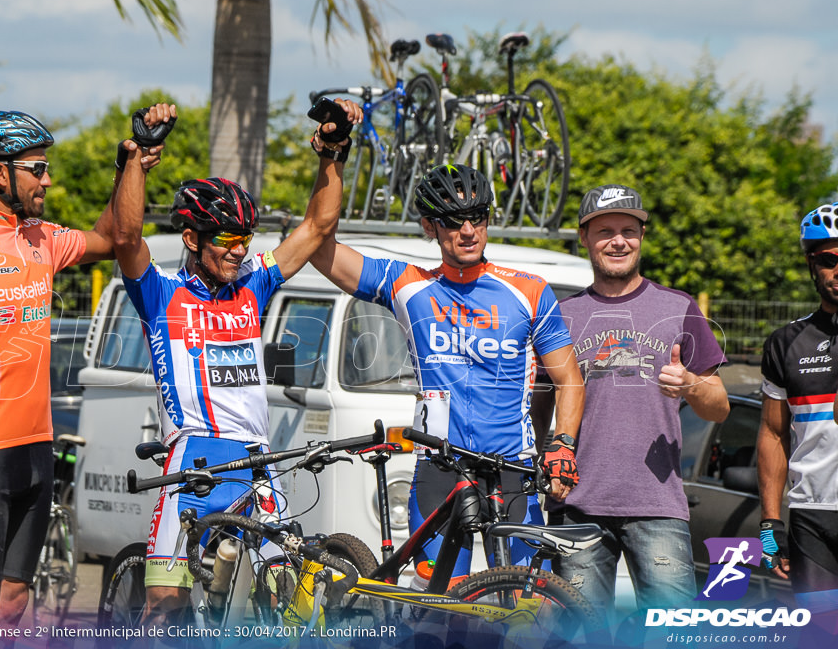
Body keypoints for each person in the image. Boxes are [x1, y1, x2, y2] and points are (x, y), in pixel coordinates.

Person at [111, 100, 362, 624]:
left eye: (244, 241)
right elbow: (126, 237)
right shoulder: (161, 294)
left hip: (256, 459)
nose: (237, 251)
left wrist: (333, 154)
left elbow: (318, 227)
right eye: (225, 241)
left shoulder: (254, 283)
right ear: (191, 240)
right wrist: (136, 158)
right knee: (165, 604)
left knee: (285, 597)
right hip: (192, 459)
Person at [0, 110, 158, 624]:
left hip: (36, 445)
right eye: (37, 168)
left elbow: (111, 238)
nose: (47, 179)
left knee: (13, 602)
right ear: (0, 174)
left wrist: (128, 168)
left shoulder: (43, 238)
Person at [309, 163, 585, 576]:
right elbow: (318, 245)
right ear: (429, 227)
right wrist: (333, 156)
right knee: (441, 613)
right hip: (441, 467)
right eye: (453, 222)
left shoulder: (529, 290)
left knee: (529, 608)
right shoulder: (407, 283)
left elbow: (569, 380)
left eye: (477, 218)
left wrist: (562, 445)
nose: (469, 231)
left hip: (512, 468)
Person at [534, 184, 729, 613]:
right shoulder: (560, 316)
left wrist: (691, 384)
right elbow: (539, 405)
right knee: (578, 634)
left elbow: (720, 405)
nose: (618, 241)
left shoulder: (678, 307)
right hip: (576, 504)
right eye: (605, 231)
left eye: (629, 230)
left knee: (673, 631)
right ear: (584, 237)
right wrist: (541, 459)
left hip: (658, 505)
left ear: (641, 237)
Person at [758, 201, 838, 598]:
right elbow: (773, 434)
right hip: (813, 515)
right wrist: (771, 526)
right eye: (828, 259)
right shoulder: (785, 343)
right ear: (811, 263)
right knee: (820, 634)